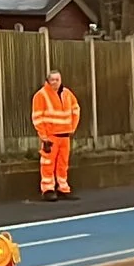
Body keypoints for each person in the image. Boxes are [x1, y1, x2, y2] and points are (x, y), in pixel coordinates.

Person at [30, 70, 81, 199]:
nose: (55, 82)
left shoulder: (67, 94)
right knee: (48, 163)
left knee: (63, 163)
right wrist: (43, 136)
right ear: (48, 80)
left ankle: (63, 187)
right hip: (51, 136)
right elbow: (37, 117)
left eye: (57, 79)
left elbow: (76, 109)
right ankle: (47, 189)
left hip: (65, 136)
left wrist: (72, 127)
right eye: (52, 79)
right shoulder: (41, 95)